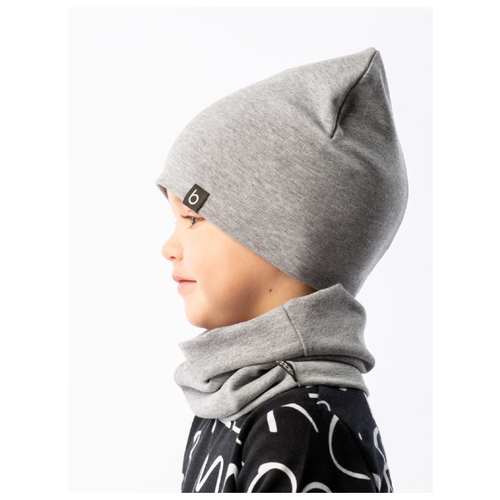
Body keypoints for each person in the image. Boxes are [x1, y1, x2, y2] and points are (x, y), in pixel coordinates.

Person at [156, 46, 408, 493]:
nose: (168, 248)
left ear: (284, 234)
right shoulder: (238, 395)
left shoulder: (300, 425)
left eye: (192, 218)